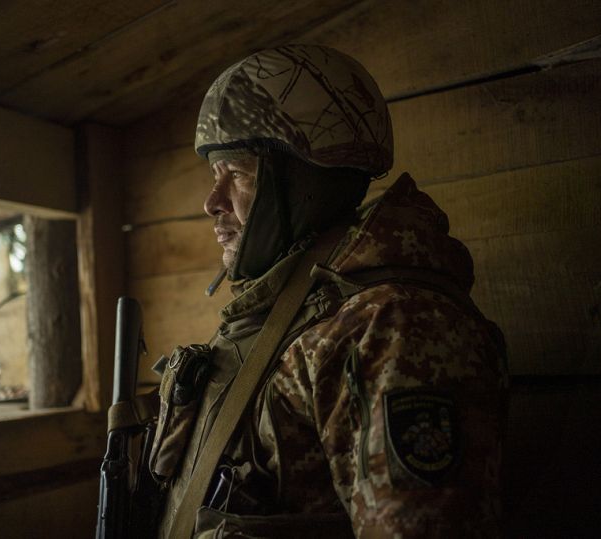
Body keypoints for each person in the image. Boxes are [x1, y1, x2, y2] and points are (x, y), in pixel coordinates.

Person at [147, 44, 507, 538]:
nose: (212, 202)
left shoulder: (389, 324)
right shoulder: (294, 312)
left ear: (303, 182)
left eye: (240, 173)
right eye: (215, 175)